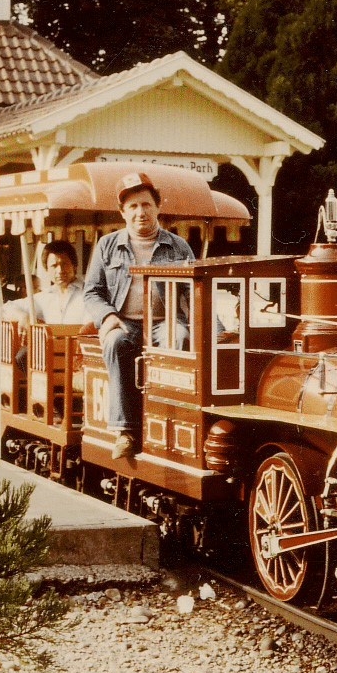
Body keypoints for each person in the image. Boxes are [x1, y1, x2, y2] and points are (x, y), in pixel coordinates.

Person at [83, 171, 194, 459]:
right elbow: (92, 292)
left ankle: (170, 423)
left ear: (157, 206)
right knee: (115, 342)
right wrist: (107, 317)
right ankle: (124, 432)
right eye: (132, 206)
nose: (140, 212)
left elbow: (194, 295)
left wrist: (216, 329)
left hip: (164, 322)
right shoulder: (107, 246)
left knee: (179, 336)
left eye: (145, 204)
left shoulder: (179, 246)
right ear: (122, 212)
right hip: (124, 322)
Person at [4, 241, 86, 370]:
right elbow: (8, 306)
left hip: (78, 360)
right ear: (47, 269)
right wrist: (23, 316)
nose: (60, 271)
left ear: (74, 265)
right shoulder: (44, 297)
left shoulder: (89, 294)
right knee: (22, 355)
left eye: (64, 264)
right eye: (54, 266)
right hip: (48, 363)